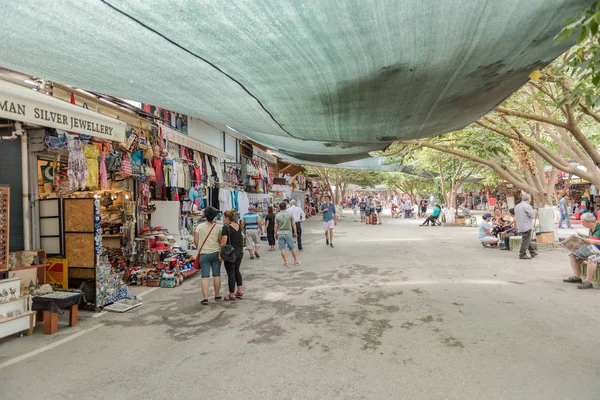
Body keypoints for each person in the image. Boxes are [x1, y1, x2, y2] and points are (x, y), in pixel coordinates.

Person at [563, 213, 600, 289]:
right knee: (573, 255)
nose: (582, 224)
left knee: (592, 258)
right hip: (593, 250)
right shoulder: (590, 229)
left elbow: (593, 241)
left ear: (589, 221)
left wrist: (592, 241)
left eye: (583, 222)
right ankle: (577, 277)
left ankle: (588, 282)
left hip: (597, 253)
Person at [194, 206, 222, 305]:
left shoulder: (199, 226)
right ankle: (217, 295)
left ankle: (205, 298)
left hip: (203, 254)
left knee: (204, 276)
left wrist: (199, 248)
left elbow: (196, 241)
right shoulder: (218, 227)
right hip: (215, 253)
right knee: (216, 274)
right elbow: (220, 241)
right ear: (214, 216)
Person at [220, 210, 244, 301]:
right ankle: (240, 290)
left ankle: (232, 294)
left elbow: (223, 241)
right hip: (239, 252)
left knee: (231, 273)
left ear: (227, 218)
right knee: (237, 271)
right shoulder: (238, 226)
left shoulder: (226, 228)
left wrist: (220, 253)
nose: (222, 219)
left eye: (223, 217)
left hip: (230, 253)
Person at [275, 202, 300, 266]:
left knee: (282, 248)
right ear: (286, 207)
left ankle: (286, 262)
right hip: (288, 232)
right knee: (292, 247)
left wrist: (275, 233)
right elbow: (293, 224)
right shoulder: (290, 214)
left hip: (280, 233)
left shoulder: (277, 215)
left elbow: (276, 226)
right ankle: (295, 261)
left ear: (279, 207)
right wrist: (295, 232)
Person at [515, 193, 537, 260]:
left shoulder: (517, 206)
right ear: (528, 199)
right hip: (527, 225)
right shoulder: (527, 206)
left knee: (527, 239)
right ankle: (522, 254)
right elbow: (532, 216)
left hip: (520, 225)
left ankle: (532, 252)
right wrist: (535, 212)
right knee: (526, 240)